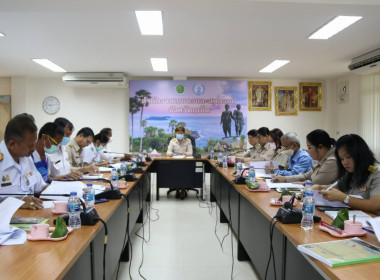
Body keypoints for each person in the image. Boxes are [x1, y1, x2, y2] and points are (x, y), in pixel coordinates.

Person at [315, 134, 380, 215]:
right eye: (342, 159)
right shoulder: (351, 172)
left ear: (360, 154)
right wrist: (317, 188)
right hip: (354, 218)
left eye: (348, 157)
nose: (344, 162)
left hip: (372, 223)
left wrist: (344, 198)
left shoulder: (377, 173)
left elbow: (374, 205)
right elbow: (335, 187)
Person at [0, 113, 45, 209]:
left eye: (34, 143)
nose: (34, 148)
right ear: (12, 144)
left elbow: (40, 187)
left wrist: (68, 192)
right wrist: (17, 202)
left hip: (30, 218)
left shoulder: (25, 156)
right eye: (29, 145)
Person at [272, 129, 337, 185]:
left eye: (309, 148)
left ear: (320, 147)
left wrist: (303, 183)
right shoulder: (320, 159)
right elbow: (306, 175)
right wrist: (284, 178)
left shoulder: (331, 161)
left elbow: (316, 182)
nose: (308, 151)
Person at [166, 126, 193, 199]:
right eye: (178, 133)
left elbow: (191, 152)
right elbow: (168, 152)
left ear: (184, 133)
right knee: (177, 172)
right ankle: (177, 190)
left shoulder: (188, 141)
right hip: (175, 162)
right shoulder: (172, 141)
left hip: (185, 162)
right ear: (176, 133)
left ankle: (182, 191)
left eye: (181, 133)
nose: (180, 134)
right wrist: (171, 154)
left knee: (184, 173)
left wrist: (186, 153)